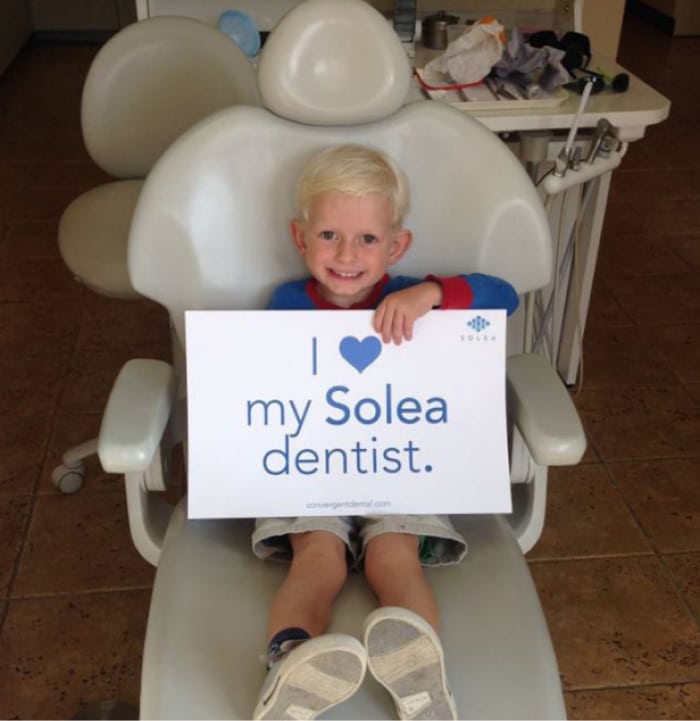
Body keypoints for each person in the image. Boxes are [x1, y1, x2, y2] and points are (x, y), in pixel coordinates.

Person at [252, 144, 519, 721]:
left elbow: (505, 297)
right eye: (328, 235)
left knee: (394, 555)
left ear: (396, 246)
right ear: (300, 239)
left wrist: (433, 295)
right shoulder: (284, 306)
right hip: (312, 470)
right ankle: (291, 670)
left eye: (368, 239)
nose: (346, 254)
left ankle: (421, 683)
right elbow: (264, 393)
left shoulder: (417, 301)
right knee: (316, 557)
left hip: (399, 469)